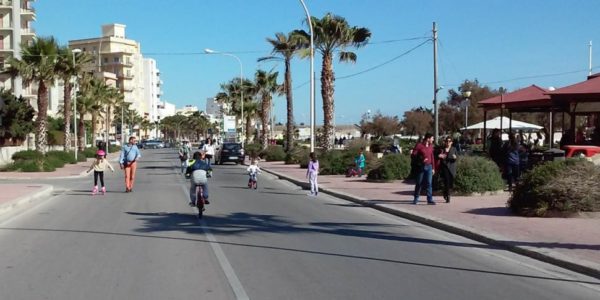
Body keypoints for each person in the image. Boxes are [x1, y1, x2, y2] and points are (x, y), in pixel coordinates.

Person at [412, 133, 436, 205]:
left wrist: (433, 168)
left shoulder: (431, 146)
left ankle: (430, 199)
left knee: (429, 183)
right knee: (419, 183)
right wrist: (421, 159)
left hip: (429, 167)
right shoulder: (419, 145)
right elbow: (414, 155)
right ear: (428, 138)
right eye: (432, 138)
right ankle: (416, 198)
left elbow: (432, 157)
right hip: (421, 166)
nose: (433, 140)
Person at [437, 137, 457, 203]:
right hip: (444, 167)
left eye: (449, 141)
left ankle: (445, 192)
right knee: (447, 182)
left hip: (451, 167)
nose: (448, 142)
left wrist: (455, 158)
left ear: (451, 142)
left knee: (450, 183)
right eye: (447, 141)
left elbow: (456, 157)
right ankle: (448, 196)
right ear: (445, 142)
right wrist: (439, 156)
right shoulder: (442, 149)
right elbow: (437, 155)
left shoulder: (454, 149)